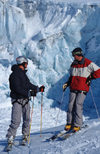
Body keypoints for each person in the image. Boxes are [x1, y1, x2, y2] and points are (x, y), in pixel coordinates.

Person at [6, 56, 45, 145]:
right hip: (17, 100)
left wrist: (38, 89)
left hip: (25, 100)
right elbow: (17, 88)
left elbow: (28, 84)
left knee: (27, 119)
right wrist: (29, 94)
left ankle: (25, 135)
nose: (27, 65)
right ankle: (10, 136)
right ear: (22, 63)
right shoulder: (14, 75)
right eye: (26, 63)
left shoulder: (23, 74)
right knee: (16, 120)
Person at [63, 47, 100, 132]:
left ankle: (77, 125)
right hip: (73, 87)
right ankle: (69, 123)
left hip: (82, 88)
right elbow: (71, 76)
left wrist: (91, 77)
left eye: (74, 55)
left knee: (78, 105)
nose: (73, 57)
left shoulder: (88, 63)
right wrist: (67, 83)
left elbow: (98, 71)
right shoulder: (73, 64)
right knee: (70, 106)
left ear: (78, 54)